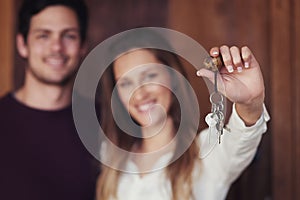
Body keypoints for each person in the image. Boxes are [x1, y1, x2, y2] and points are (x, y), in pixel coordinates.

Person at [96, 30, 270, 200]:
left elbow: (241, 140)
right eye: (125, 83)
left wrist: (250, 102)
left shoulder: (207, 153)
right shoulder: (112, 156)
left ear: (172, 76)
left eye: (149, 75)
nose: (139, 94)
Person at [0, 0, 99, 199]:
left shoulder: (106, 124)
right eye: (43, 36)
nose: (57, 47)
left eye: (69, 36)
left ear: (82, 47)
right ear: (22, 45)